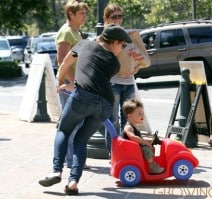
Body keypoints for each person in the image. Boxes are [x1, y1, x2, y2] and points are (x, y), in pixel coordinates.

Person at [38, 24, 132, 195]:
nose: (122, 49)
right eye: (123, 45)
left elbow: (66, 62)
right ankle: (73, 182)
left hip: (82, 96)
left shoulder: (83, 44)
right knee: (81, 141)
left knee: (64, 130)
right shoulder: (114, 63)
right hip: (104, 104)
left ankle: (56, 171)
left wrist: (60, 81)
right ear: (115, 42)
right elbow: (94, 75)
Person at [103, 4, 144, 155]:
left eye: (120, 16)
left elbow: (138, 58)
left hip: (128, 83)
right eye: (114, 17)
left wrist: (136, 68)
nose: (118, 20)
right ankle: (113, 153)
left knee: (130, 119)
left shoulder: (127, 35)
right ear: (106, 18)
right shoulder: (105, 37)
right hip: (113, 83)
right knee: (113, 119)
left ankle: (128, 151)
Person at [55, 0, 89, 169]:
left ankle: (74, 159)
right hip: (70, 85)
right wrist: (71, 82)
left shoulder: (76, 32)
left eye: (85, 13)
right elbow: (61, 60)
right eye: (81, 13)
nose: (85, 16)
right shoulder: (66, 33)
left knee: (78, 123)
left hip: (77, 83)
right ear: (71, 14)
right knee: (72, 125)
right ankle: (71, 161)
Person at [122, 98, 165, 174]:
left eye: (143, 113)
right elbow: (133, 137)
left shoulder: (134, 126)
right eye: (139, 114)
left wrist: (148, 141)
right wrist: (145, 142)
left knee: (151, 146)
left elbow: (138, 138)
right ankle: (152, 167)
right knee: (146, 149)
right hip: (131, 149)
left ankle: (149, 163)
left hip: (134, 147)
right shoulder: (128, 127)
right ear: (130, 116)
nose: (142, 115)